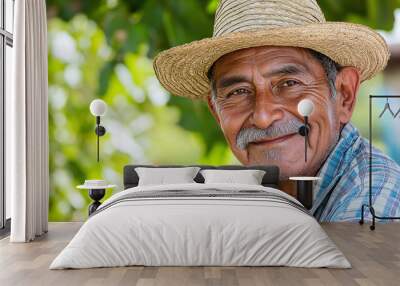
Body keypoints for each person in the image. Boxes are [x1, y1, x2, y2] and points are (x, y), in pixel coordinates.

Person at [153, 0, 400, 221]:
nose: (263, 117)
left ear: (344, 95)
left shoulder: (372, 201)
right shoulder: (261, 199)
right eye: (238, 92)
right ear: (217, 113)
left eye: (289, 84)